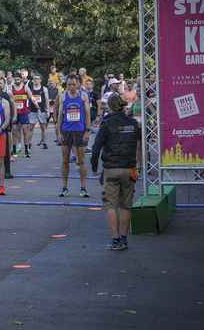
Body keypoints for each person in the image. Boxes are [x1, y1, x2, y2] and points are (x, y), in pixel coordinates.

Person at [91, 94, 142, 251]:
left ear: (110, 107)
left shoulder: (106, 123)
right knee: (126, 206)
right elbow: (141, 145)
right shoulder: (133, 123)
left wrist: (94, 166)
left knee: (111, 206)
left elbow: (96, 147)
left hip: (111, 169)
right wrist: (138, 165)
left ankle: (115, 240)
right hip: (129, 168)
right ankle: (124, 239)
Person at [57, 75, 92, 197]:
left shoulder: (83, 96)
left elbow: (87, 115)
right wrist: (58, 132)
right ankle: (64, 187)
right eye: (69, 84)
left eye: (73, 84)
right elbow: (60, 116)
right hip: (66, 131)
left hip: (80, 131)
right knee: (65, 160)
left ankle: (83, 188)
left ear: (78, 84)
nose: (71, 87)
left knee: (81, 160)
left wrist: (87, 131)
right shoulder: (63, 96)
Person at [26, 74, 50, 154]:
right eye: (34, 79)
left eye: (37, 79)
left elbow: (46, 100)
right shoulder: (30, 89)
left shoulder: (44, 89)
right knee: (31, 127)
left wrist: (48, 110)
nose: (36, 80)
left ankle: (44, 142)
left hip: (42, 110)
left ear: (40, 80)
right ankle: (29, 143)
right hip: (32, 110)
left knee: (43, 127)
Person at [11, 74, 31, 157]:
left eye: (18, 79)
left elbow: (31, 98)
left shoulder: (25, 88)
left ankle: (27, 149)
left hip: (24, 113)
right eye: (15, 79)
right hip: (15, 113)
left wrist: (35, 106)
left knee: (25, 131)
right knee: (15, 131)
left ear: (21, 80)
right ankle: (15, 150)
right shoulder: (11, 88)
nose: (17, 81)